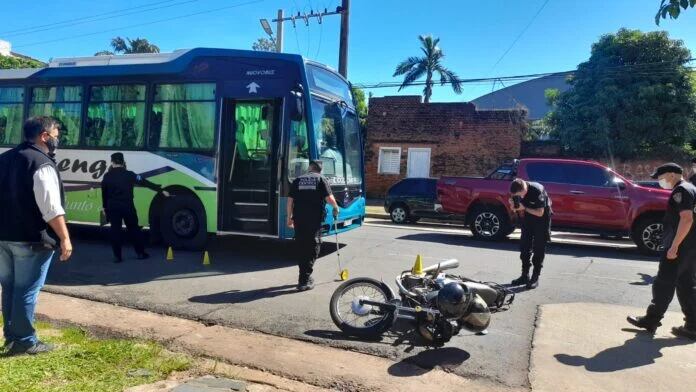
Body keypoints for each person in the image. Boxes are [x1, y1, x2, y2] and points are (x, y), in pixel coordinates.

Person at [0, 116, 72, 355]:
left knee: (9, 288)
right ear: (44, 136)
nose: (57, 138)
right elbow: (50, 208)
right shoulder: (41, 163)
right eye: (55, 134)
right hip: (31, 239)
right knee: (26, 289)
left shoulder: (5, 158)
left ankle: (12, 336)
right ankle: (25, 340)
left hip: (4, 236)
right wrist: (64, 238)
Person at [628, 163, 696, 339]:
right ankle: (693, 325)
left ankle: (651, 320)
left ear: (672, 175)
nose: (660, 181)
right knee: (686, 285)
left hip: (679, 247)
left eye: (661, 177)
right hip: (690, 246)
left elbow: (686, 219)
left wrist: (674, 246)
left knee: (664, 283)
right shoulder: (691, 188)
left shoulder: (681, 191)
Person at [101, 152, 169, 263]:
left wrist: (105, 207)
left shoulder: (107, 176)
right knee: (134, 229)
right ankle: (140, 253)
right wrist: (161, 190)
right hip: (127, 206)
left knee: (115, 231)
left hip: (113, 207)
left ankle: (117, 257)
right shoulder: (130, 174)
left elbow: (104, 193)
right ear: (123, 162)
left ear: (112, 162)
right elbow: (145, 182)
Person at [287, 160, 340, 291]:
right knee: (313, 247)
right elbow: (329, 198)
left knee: (302, 246)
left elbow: (290, 201)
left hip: (299, 219)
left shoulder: (298, 180)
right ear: (320, 170)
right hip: (314, 220)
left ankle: (303, 277)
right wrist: (336, 207)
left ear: (310, 168)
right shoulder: (321, 179)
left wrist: (289, 218)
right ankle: (304, 281)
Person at [509, 178, 552, 289]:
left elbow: (540, 213)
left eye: (520, 195)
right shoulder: (516, 190)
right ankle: (524, 275)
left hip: (541, 219)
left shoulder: (537, 190)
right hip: (527, 220)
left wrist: (524, 208)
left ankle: (535, 277)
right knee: (524, 247)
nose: (520, 197)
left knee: (538, 248)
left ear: (524, 188)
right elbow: (515, 208)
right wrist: (513, 206)